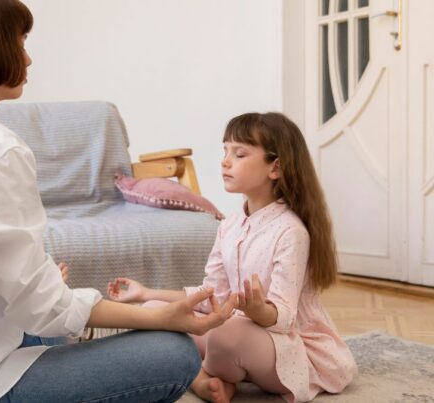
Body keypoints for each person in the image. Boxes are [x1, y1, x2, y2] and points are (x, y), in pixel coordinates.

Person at [0, 1, 237, 402]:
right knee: (173, 353)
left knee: (49, 324)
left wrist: (42, 288)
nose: (28, 58)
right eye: (21, 42)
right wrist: (159, 317)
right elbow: (44, 309)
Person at [108, 112, 358, 403]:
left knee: (225, 335)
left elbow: (284, 318)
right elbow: (210, 296)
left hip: (286, 347)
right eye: (225, 151)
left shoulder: (291, 232)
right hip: (236, 339)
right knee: (152, 312)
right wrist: (146, 292)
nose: (225, 161)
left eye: (239, 154)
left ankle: (198, 373)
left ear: (275, 167)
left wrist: (257, 311)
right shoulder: (229, 225)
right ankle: (206, 380)